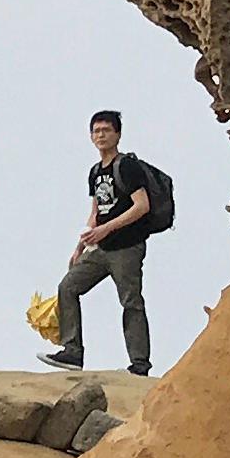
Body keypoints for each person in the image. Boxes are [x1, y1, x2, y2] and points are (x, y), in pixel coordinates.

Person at [43, 109, 156, 376]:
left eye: (106, 130)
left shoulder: (126, 165)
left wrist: (106, 229)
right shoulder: (95, 172)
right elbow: (96, 211)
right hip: (100, 248)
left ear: (117, 134)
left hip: (127, 247)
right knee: (68, 287)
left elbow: (141, 206)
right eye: (96, 131)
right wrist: (80, 246)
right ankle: (72, 352)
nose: (101, 135)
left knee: (131, 301)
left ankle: (139, 363)